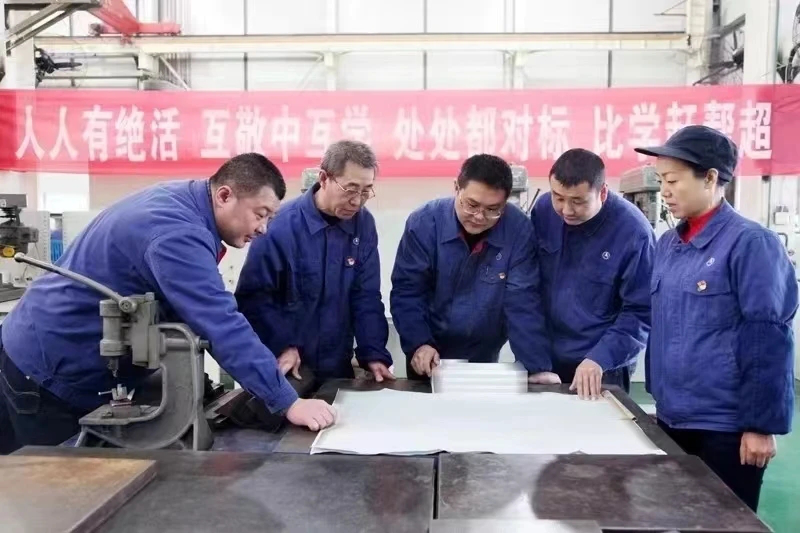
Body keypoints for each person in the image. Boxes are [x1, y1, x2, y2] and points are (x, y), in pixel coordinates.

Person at [0, 153, 336, 455]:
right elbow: (219, 323)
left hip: (40, 349)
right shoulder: (177, 232)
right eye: (260, 215)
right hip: (46, 369)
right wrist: (287, 402)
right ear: (224, 195)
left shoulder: (186, 202)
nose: (263, 229)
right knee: (51, 487)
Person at [636, 125, 797, 512]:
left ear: (710, 178)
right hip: (673, 419)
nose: (665, 191)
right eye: (661, 181)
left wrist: (760, 425)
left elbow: (768, 337)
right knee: (670, 518)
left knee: (723, 522)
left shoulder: (751, 244)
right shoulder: (668, 244)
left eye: (673, 180)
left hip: (726, 428)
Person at [235, 140, 394, 382]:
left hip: (337, 365)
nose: (357, 201)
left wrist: (374, 353)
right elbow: (255, 298)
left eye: (366, 191)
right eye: (350, 189)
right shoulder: (280, 226)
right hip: (288, 366)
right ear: (324, 178)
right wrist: (283, 344)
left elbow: (366, 296)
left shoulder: (364, 225)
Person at [390, 153, 557, 382]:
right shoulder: (424, 224)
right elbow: (408, 291)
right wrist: (419, 343)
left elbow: (523, 302)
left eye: (493, 209)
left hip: (483, 355)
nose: (479, 216)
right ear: (456, 188)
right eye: (471, 205)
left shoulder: (518, 230)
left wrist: (536, 367)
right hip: (429, 353)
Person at [530, 148, 655, 400]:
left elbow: (641, 312)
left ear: (603, 192)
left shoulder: (634, 233)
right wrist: (533, 354)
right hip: (546, 358)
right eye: (558, 197)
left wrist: (601, 358)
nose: (566, 210)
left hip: (600, 364)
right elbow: (527, 284)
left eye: (578, 201)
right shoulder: (543, 210)